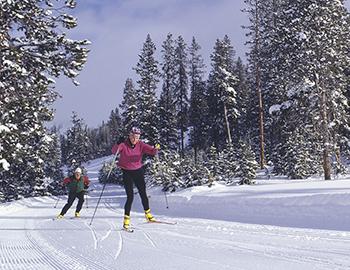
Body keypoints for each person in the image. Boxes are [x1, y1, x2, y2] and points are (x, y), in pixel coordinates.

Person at [112, 126, 160, 230]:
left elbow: (152, 151)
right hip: (127, 172)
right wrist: (117, 143)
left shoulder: (141, 144)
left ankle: (148, 215)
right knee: (130, 196)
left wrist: (156, 148)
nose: (135, 139)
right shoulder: (124, 144)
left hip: (138, 171)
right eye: (133, 136)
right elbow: (114, 151)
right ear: (129, 136)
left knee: (143, 193)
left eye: (137, 137)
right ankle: (126, 220)